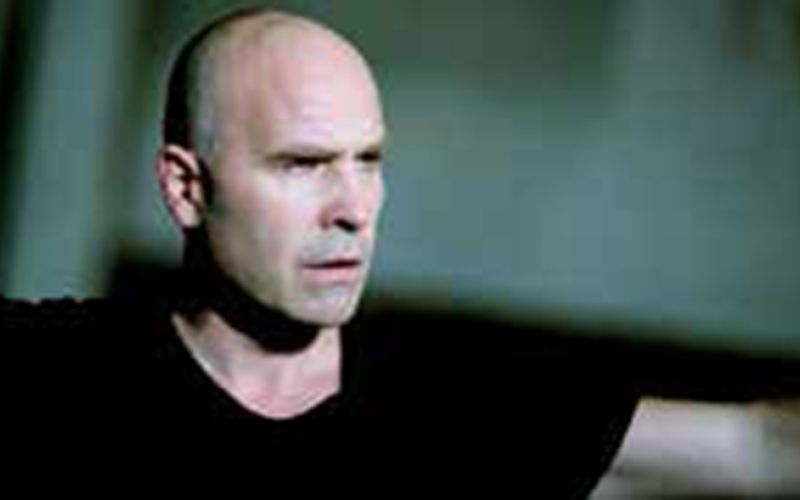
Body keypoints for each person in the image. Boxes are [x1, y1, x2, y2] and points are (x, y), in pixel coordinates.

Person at [3, 7, 795, 497]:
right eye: (303, 164)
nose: (353, 210)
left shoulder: (453, 416)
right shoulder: (58, 375)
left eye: (369, 160)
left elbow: (762, 451)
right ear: (186, 187)